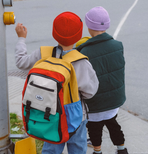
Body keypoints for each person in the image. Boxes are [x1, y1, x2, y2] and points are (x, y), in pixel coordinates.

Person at [15, 11, 99, 154]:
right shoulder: (81, 62)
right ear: (79, 35)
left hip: (49, 112)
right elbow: (90, 92)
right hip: (76, 117)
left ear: (54, 32)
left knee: (51, 148)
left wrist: (21, 39)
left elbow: (20, 62)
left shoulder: (42, 54)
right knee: (78, 149)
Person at [76, 6, 128, 154]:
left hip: (95, 104)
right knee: (113, 124)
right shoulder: (118, 46)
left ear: (88, 26)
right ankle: (121, 149)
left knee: (94, 128)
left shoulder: (84, 52)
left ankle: (97, 151)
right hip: (114, 101)